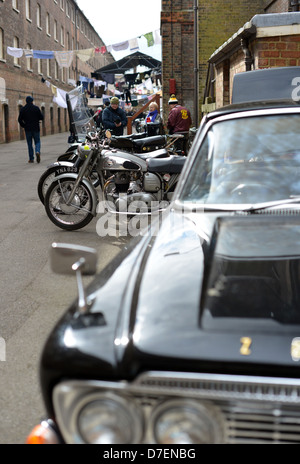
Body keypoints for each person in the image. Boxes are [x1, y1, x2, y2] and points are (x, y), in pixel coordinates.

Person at [18, 96, 44, 163]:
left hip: (28, 129)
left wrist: (24, 125)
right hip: (36, 128)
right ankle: (37, 151)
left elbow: (19, 119)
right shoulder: (36, 108)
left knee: (29, 144)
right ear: (32, 101)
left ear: (26, 101)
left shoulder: (23, 109)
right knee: (37, 141)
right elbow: (41, 117)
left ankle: (31, 159)